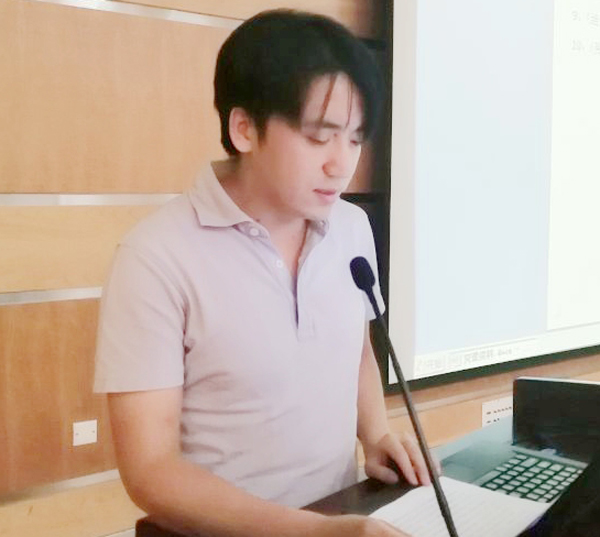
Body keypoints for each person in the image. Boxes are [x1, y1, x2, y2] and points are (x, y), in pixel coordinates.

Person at [95, 9, 433, 537]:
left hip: (342, 512)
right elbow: (151, 471)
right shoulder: (154, 257)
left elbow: (356, 343)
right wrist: (311, 533)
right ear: (244, 128)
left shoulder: (350, 226)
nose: (341, 164)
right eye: (319, 137)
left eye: (354, 138)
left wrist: (375, 433)